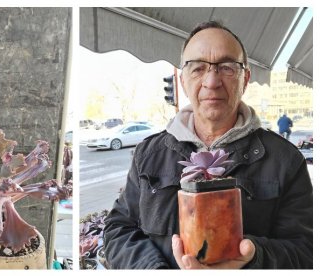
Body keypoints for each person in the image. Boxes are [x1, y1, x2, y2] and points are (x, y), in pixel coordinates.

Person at [103, 21, 312, 269]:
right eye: (197, 68)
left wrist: (254, 258)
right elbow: (118, 229)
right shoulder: (149, 154)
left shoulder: (285, 159)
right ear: (183, 80)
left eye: (227, 67)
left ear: (245, 79)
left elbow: (306, 250)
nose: (211, 82)